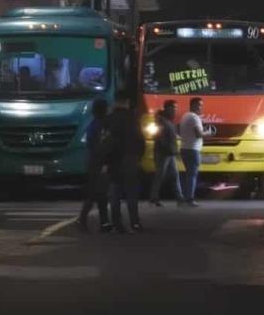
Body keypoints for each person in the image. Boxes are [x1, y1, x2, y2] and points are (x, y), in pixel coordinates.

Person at [106, 91, 145, 232]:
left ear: (116, 101)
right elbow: (140, 140)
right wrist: (139, 156)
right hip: (130, 158)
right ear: (126, 102)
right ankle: (135, 222)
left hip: (114, 159)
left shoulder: (109, 119)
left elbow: (106, 141)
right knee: (131, 193)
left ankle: (117, 223)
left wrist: (106, 160)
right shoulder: (132, 118)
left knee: (115, 192)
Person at [76, 98, 112, 232]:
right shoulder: (103, 126)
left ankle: (103, 222)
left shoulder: (92, 125)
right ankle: (87, 220)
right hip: (100, 164)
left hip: (93, 163)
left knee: (96, 194)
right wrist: (105, 162)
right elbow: (102, 146)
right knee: (98, 194)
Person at [150, 100, 186, 207]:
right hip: (163, 153)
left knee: (174, 176)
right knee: (160, 176)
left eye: (175, 108)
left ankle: (180, 198)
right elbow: (160, 138)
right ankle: (154, 197)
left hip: (170, 153)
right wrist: (169, 149)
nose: (175, 110)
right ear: (166, 108)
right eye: (173, 108)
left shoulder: (169, 121)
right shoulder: (161, 121)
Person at [179, 97, 204, 207]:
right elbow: (199, 134)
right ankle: (190, 199)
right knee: (192, 175)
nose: (201, 107)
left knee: (188, 174)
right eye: (199, 105)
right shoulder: (195, 118)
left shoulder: (185, 116)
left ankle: (185, 197)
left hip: (184, 148)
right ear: (193, 105)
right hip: (193, 149)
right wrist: (208, 133)